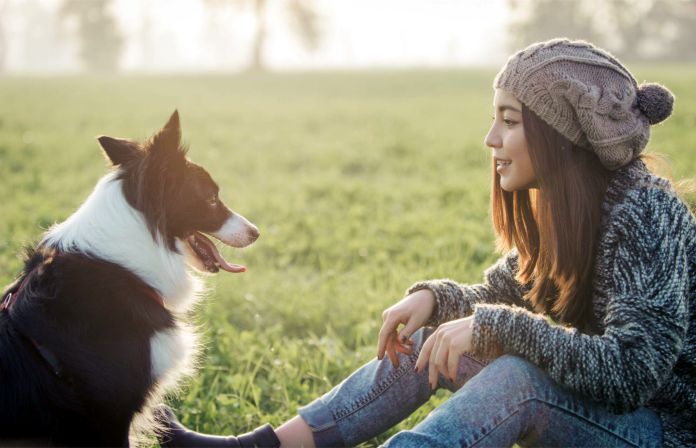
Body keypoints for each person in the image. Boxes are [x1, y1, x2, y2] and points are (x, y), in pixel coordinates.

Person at [155, 38, 696, 448]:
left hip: (664, 428)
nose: (491, 139)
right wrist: (437, 300)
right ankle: (267, 446)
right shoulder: (563, 207)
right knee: (428, 337)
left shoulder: (646, 213)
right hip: (609, 409)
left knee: (517, 379)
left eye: (509, 122)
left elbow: (632, 374)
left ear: (561, 137)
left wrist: (495, 328)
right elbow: (504, 294)